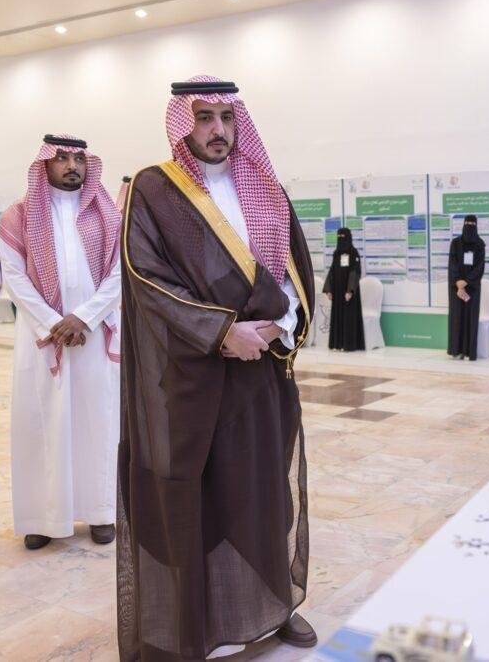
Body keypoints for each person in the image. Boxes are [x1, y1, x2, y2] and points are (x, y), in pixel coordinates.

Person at [118, 76, 316, 659]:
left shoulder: (266, 187)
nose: (218, 130)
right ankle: (195, 626)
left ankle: (274, 607)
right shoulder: (155, 190)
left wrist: (276, 326)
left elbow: (292, 270)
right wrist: (222, 332)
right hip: (193, 375)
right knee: (199, 500)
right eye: (204, 117)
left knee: (264, 493)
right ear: (184, 123)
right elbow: (146, 278)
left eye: (227, 119)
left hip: (262, 372)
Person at [0, 134, 122, 549]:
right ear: (45, 164)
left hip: (94, 337)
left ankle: (102, 512)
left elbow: (119, 274)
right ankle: (42, 517)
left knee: (98, 423)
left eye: (80, 159)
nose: (72, 166)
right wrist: (55, 323)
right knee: (41, 425)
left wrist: (84, 317)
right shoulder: (18, 216)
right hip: (43, 339)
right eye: (63, 158)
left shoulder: (108, 215)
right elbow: (15, 279)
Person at [447, 215, 485, 359]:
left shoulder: (480, 244)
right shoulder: (455, 243)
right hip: (456, 289)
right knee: (456, 317)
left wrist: (467, 281)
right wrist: (458, 282)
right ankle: (456, 350)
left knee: (471, 318)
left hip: (472, 288)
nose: (469, 226)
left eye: (472, 224)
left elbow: (479, 267)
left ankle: (469, 351)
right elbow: (452, 264)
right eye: (467, 223)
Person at [323, 227, 365, 351]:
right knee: (338, 317)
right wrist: (328, 289)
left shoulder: (354, 253)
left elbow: (355, 272)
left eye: (343, 237)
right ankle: (337, 344)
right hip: (337, 291)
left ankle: (348, 345)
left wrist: (350, 290)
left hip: (348, 292)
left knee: (348, 317)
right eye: (339, 237)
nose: (341, 240)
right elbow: (332, 271)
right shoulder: (336, 253)